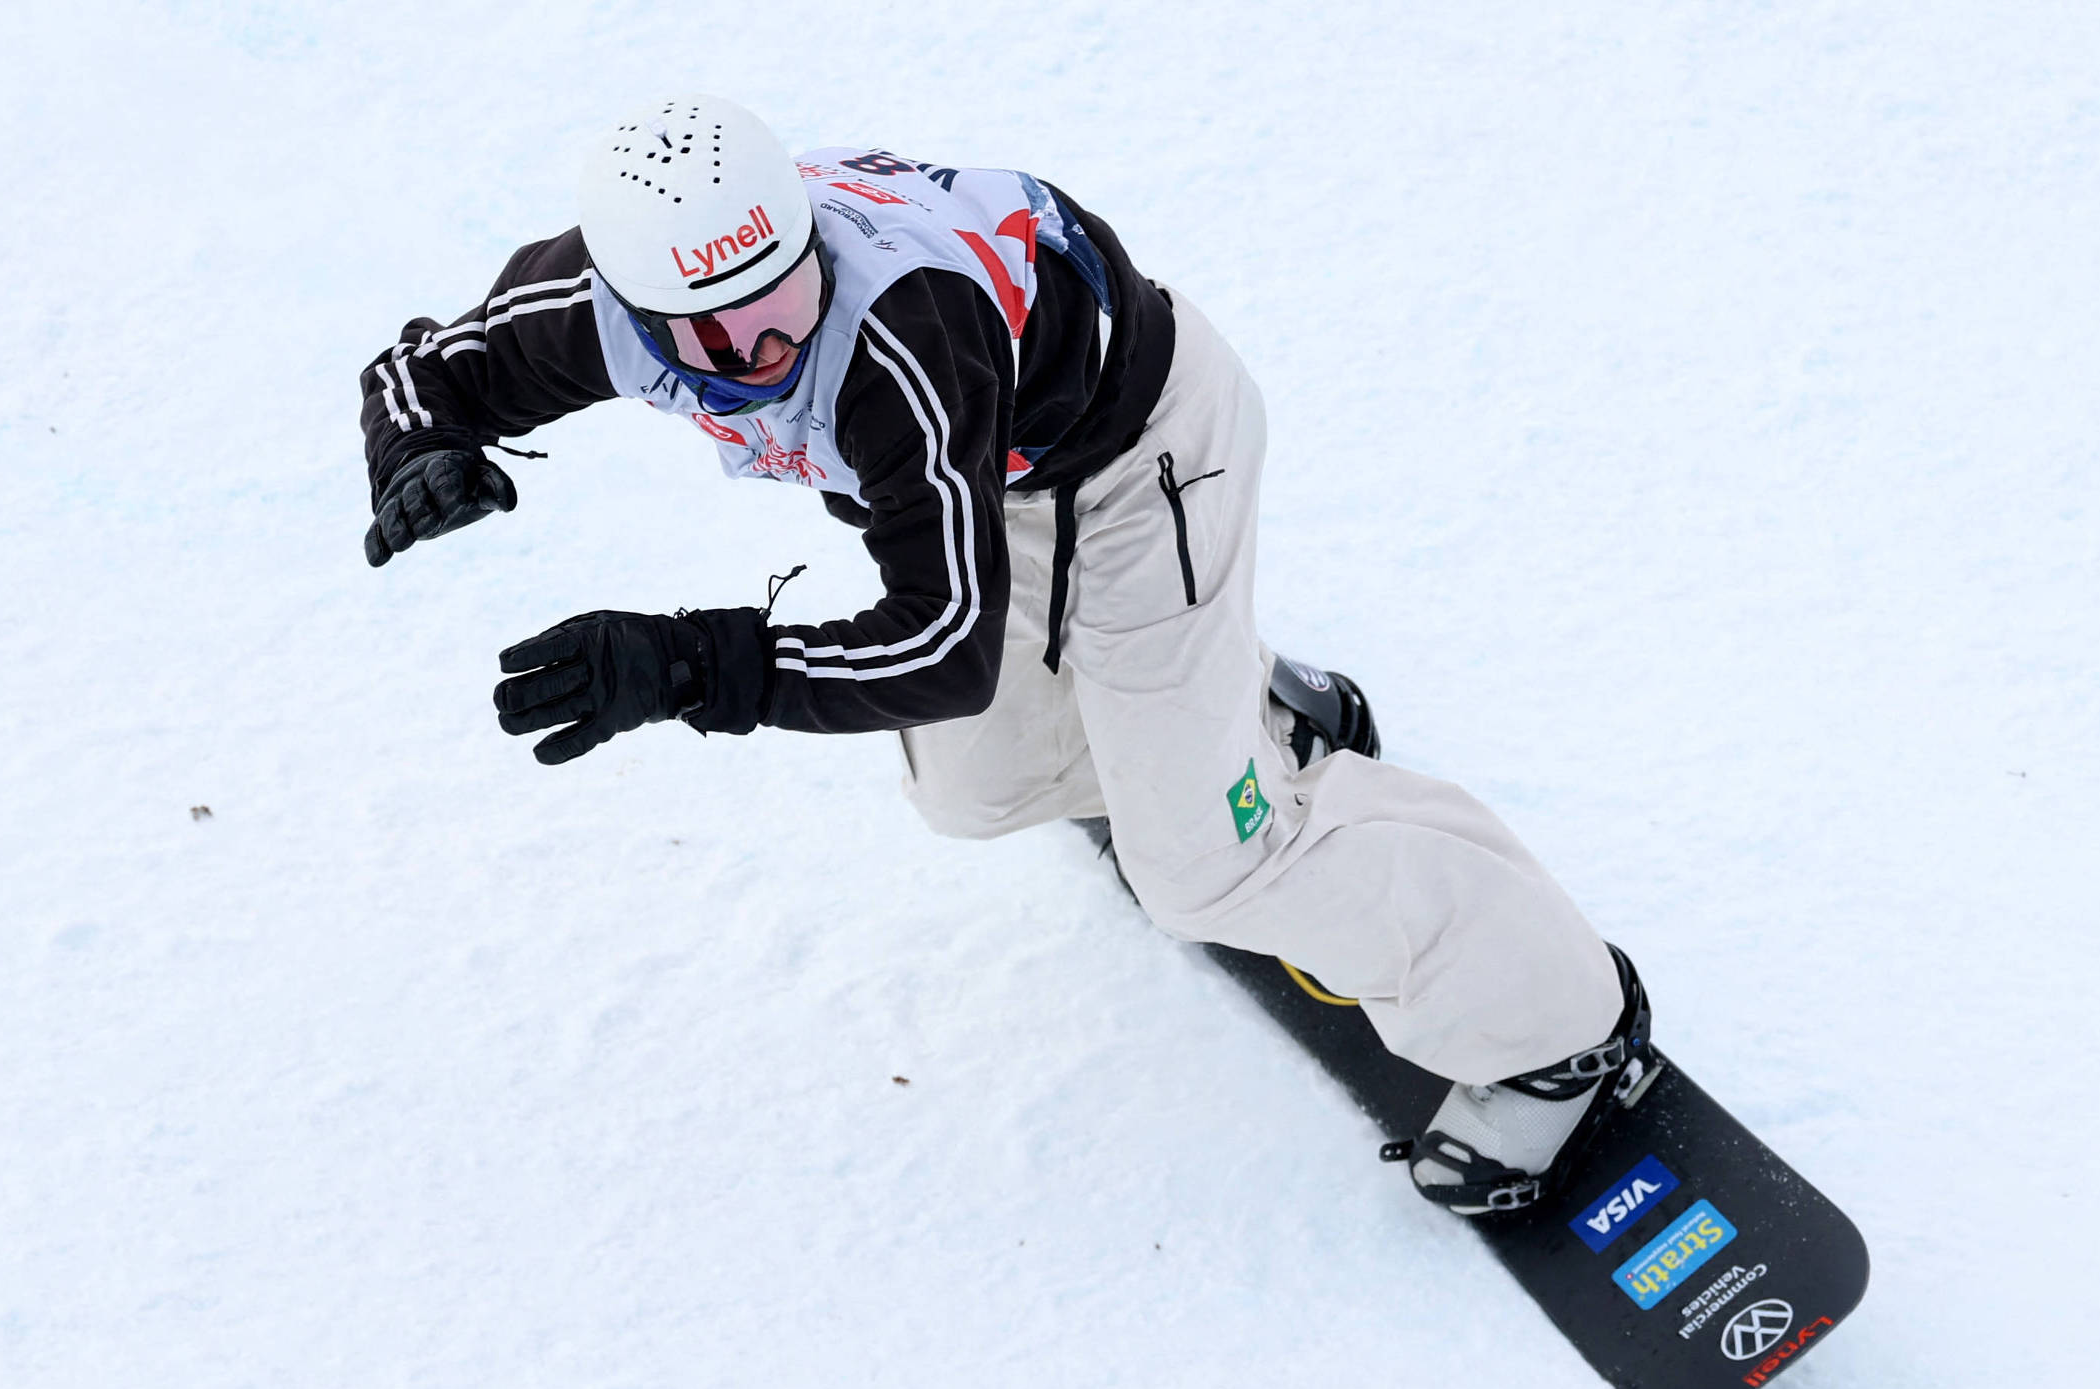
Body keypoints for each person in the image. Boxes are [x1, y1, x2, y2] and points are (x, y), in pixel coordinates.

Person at [356, 95, 1664, 1213]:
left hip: (1145, 457)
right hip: (1006, 486)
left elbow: (941, 650)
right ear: (630, 310)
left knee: (1200, 870)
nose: (768, 349)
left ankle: (1557, 1028)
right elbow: (418, 373)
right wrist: (416, 454)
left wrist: (697, 665)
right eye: (716, 338)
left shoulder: (899, 338)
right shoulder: (573, 304)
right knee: (972, 794)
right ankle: (1220, 711)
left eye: (787, 296)